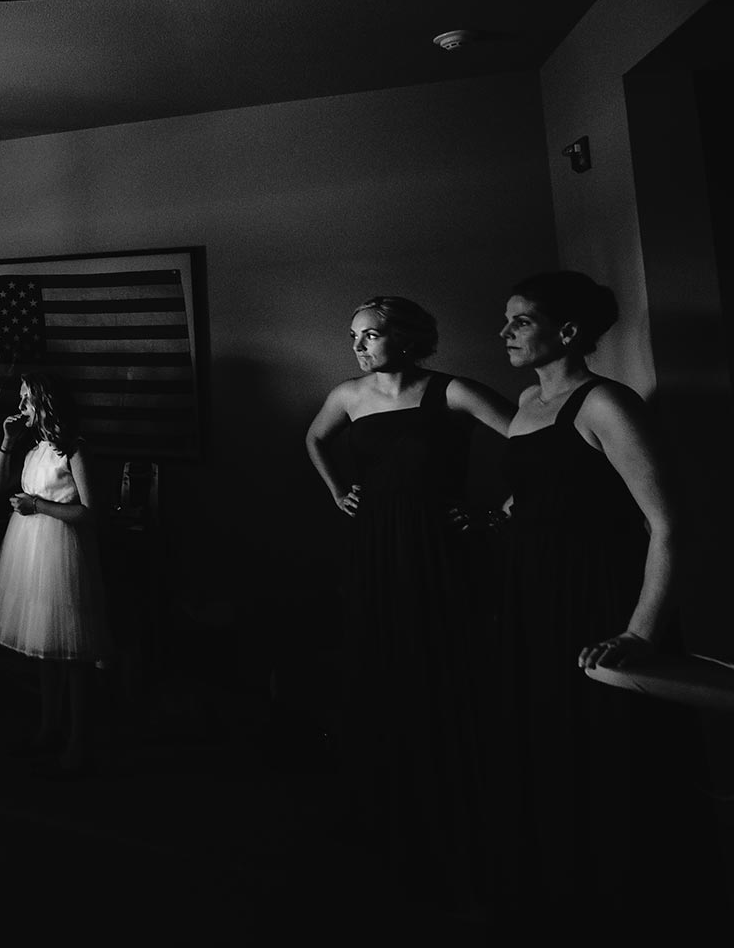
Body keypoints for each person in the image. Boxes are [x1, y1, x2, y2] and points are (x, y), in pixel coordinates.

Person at [488, 271, 723, 932]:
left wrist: (641, 634)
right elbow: (548, 488)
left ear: (567, 332)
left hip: (594, 598)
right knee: (548, 752)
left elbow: (670, 526)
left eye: (521, 321)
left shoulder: (605, 404)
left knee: (609, 761)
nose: (504, 333)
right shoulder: (526, 402)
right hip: (532, 598)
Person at [302, 295, 514, 916]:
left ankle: (449, 806)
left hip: (437, 546)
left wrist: (495, 513)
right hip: (373, 544)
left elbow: (534, 445)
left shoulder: (452, 392)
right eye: (353, 337)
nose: (358, 346)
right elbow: (315, 438)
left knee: (441, 656)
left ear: (407, 337)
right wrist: (338, 491)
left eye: (369, 335)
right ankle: (381, 797)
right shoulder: (348, 395)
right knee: (377, 656)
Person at [0, 373, 114, 778]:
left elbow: (91, 514)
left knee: (72, 653)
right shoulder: (33, 448)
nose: (21, 408)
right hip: (29, 556)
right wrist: (7, 441)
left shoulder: (72, 449)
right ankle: (49, 727)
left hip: (62, 555)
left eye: (26, 400)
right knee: (45, 646)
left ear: (45, 402)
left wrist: (37, 506)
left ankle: (78, 739)